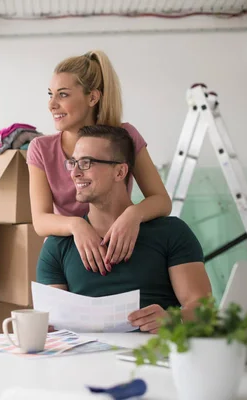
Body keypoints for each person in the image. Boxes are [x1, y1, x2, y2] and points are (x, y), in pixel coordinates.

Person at [36, 125, 212, 333]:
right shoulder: (58, 245)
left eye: (86, 163)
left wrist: (174, 319)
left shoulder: (171, 232)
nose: (74, 173)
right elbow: (52, 325)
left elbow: (203, 309)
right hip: (84, 362)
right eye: (73, 163)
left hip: (155, 357)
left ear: (120, 171)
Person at [27, 50, 171, 275]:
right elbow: (40, 221)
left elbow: (162, 201)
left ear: (92, 98)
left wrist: (133, 215)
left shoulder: (125, 136)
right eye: (50, 94)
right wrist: (77, 226)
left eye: (62, 95)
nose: (51, 105)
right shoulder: (41, 149)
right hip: (69, 251)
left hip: (120, 244)